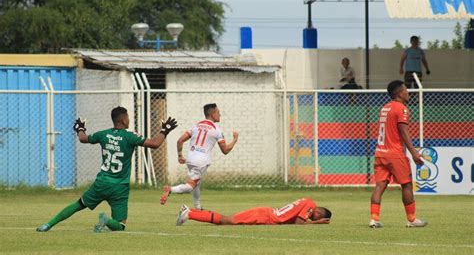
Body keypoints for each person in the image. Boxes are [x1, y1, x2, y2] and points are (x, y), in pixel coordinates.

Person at [36, 107, 177, 232]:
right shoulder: (130, 136)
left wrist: (79, 129)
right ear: (122, 119)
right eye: (127, 117)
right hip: (120, 187)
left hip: (102, 183)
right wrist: (165, 130)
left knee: (78, 204)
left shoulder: (103, 134)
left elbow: (83, 139)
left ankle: (48, 224)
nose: (129, 120)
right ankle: (106, 220)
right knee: (120, 225)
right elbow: (155, 143)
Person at [370, 80, 428, 228]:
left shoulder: (385, 108)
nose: (408, 93)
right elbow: (403, 133)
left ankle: (374, 219)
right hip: (395, 153)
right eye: (406, 90)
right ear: (399, 93)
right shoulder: (402, 109)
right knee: (407, 185)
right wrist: (414, 153)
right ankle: (412, 219)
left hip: (380, 153)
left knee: (380, 186)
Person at [160, 103, 238, 210]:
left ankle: (198, 207)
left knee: (197, 183)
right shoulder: (217, 130)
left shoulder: (195, 126)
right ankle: (170, 189)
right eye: (218, 112)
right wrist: (235, 139)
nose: (220, 115)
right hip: (201, 161)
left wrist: (179, 156)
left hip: (190, 159)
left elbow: (180, 141)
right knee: (190, 186)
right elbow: (225, 151)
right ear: (213, 114)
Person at [175, 197, 331, 226]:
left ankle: (190, 211)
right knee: (226, 221)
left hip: (266, 213)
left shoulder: (307, 201)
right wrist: (317, 223)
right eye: (316, 217)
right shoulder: (311, 205)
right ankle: (189, 214)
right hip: (265, 215)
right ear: (319, 212)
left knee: (226, 220)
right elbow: (298, 223)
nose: (311, 218)